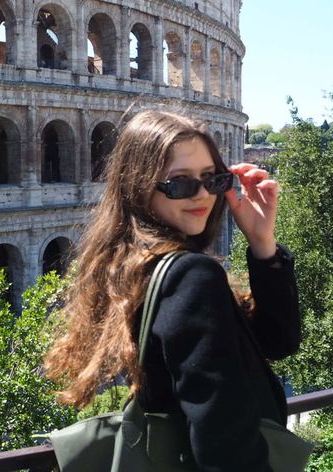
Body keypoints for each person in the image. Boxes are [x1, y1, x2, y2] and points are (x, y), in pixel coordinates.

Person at [45, 110, 301, 471]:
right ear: (139, 186)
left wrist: (263, 244)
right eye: (179, 183)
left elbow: (276, 342)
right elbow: (222, 438)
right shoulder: (190, 275)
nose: (201, 195)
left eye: (212, 180)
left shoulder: (133, 265)